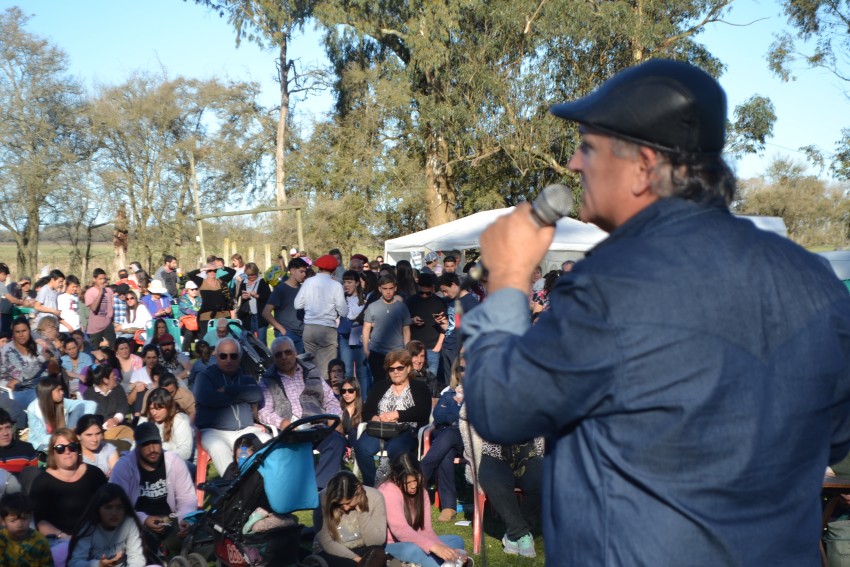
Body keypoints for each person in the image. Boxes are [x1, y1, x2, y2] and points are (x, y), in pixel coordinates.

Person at [462, 59, 850, 564]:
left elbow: (499, 408)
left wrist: (511, 276)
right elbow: (836, 436)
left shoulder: (610, 285)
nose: (575, 165)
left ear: (644, 167)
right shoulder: (817, 283)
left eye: (587, 147)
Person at [257, 336, 345, 489]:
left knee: (337, 441)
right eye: (279, 354)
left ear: (295, 352)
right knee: (300, 449)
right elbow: (263, 411)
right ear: (273, 358)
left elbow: (331, 400)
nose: (284, 357)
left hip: (317, 426)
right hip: (291, 430)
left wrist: (334, 416)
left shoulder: (311, 372)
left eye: (288, 352)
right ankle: (316, 487)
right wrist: (282, 422)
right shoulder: (267, 380)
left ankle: (317, 487)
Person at [109, 422, 195, 557]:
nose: (152, 449)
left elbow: (186, 498)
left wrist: (185, 519)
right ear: (136, 446)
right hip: (135, 524)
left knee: (204, 536)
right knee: (140, 547)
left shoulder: (174, 461)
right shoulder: (123, 467)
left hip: (170, 520)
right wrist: (144, 519)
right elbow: (117, 507)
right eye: (145, 444)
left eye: (155, 443)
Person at [353, 349, 430, 487]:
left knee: (396, 449)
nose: (395, 372)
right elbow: (367, 411)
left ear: (408, 368)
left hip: (406, 431)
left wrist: (397, 414)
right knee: (361, 446)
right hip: (381, 430)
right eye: (391, 369)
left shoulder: (420, 387)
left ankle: (398, 486)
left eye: (400, 368)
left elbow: (423, 411)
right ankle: (372, 487)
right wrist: (375, 417)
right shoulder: (380, 386)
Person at [30, 429, 108, 564]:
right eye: (60, 448)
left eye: (72, 447)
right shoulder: (42, 482)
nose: (67, 451)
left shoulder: (94, 474)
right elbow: (40, 521)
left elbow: (108, 507)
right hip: (60, 542)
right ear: (53, 452)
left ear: (78, 449)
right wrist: (64, 537)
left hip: (97, 538)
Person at [193, 337, 268, 474]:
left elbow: (257, 394)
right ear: (216, 356)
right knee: (218, 447)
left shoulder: (246, 378)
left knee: (268, 442)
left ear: (239, 358)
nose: (228, 360)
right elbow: (208, 398)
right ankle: (231, 486)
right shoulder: (204, 377)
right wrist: (242, 396)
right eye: (223, 356)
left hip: (246, 429)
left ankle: (263, 484)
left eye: (233, 356)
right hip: (215, 432)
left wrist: (228, 390)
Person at [378, 454, 465, 567]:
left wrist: (444, 549)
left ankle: (447, 562)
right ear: (396, 478)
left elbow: (425, 529)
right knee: (413, 549)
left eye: (416, 480)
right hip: (392, 546)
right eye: (408, 483)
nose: (414, 486)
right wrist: (433, 547)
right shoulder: (388, 491)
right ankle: (449, 564)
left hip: (415, 541)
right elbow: (400, 531)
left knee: (456, 541)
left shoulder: (422, 491)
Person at [421, 357, 465, 522]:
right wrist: (458, 413)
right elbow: (438, 416)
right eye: (460, 369)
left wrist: (457, 410)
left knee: (447, 433)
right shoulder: (448, 393)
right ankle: (448, 507)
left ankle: (419, 475)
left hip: (468, 440)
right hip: (449, 439)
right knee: (445, 452)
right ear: (456, 373)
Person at [315, 470, 387, 567]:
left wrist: (362, 512)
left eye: (348, 503)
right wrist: (356, 558)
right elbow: (327, 543)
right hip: (332, 550)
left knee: (377, 556)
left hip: (363, 547)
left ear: (358, 490)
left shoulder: (375, 497)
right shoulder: (322, 498)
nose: (346, 508)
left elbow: (376, 542)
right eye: (340, 504)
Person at [294, 254, 348, 381]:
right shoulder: (336, 286)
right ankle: (325, 397)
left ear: (318, 268)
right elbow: (344, 311)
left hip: (309, 328)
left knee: (311, 367)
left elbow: (297, 304)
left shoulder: (308, 282)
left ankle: (312, 395)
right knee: (326, 370)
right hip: (327, 328)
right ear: (334, 270)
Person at [67, 483, 147, 567]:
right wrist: (99, 565)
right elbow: (74, 563)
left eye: (119, 507)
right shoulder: (88, 528)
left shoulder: (129, 523)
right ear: (98, 508)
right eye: (108, 507)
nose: (114, 513)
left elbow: (136, 557)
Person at [27, 376, 97, 452]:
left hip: (65, 434)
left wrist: (82, 425)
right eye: (58, 390)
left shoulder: (63, 402)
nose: (62, 392)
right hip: (44, 444)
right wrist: (66, 436)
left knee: (79, 407)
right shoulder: (33, 409)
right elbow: (42, 438)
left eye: (62, 389)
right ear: (48, 393)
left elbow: (91, 404)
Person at [362, 275, 411, 384]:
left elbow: (406, 330)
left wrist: (406, 350)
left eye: (390, 288)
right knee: (378, 383)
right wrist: (366, 349)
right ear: (380, 289)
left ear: (395, 288)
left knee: (396, 382)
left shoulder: (402, 307)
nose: (388, 292)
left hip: (397, 351)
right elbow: (366, 328)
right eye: (385, 289)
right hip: (377, 351)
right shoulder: (373, 306)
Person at [0, 316, 50, 408]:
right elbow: (21, 375)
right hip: (14, 392)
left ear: (29, 331)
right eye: (17, 332)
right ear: (13, 334)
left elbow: (45, 372)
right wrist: (41, 359)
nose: (21, 335)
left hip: (37, 388)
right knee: (44, 400)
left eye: (24, 331)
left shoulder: (36, 347)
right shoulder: (8, 350)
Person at [403, 273, 444, 378]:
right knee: (413, 379)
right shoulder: (410, 302)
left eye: (428, 293)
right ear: (418, 287)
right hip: (414, 348)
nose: (425, 295)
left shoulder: (439, 302)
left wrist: (438, 347)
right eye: (422, 293)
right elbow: (403, 324)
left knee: (431, 380)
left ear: (432, 288)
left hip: (432, 347)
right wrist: (412, 320)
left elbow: (445, 327)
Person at [138, 388, 193, 462]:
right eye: (151, 409)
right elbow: (135, 447)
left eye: (158, 409)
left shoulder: (180, 420)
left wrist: (160, 454)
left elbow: (185, 453)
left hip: (181, 463)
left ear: (168, 407)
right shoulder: (145, 420)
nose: (154, 413)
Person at [82, 364, 133, 443]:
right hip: (98, 434)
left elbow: (123, 407)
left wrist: (115, 419)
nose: (116, 377)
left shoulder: (118, 389)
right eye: (113, 376)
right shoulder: (89, 394)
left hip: (118, 428)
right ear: (105, 380)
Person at [0, 492, 52, 567]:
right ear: (3, 521)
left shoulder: (40, 541)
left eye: (24, 519)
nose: (20, 525)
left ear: (31, 516)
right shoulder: (1, 539)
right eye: (13, 521)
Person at [234, 262, 271, 345]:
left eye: (253, 275)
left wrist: (257, 296)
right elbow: (238, 297)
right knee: (248, 340)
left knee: (261, 341)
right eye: (249, 275)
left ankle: (265, 357)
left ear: (257, 272)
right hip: (247, 316)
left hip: (260, 316)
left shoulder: (262, 282)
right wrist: (243, 297)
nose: (251, 277)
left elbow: (268, 298)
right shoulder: (244, 282)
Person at [84, 269, 115, 350]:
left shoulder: (109, 291)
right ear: (94, 279)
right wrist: (100, 293)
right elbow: (94, 308)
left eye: (104, 279)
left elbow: (111, 307)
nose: (102, 281)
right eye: (100, 279)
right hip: (95, 327)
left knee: (113, 347)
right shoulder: (90, 292)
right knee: (95, 350)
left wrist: (111, 319)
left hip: (107, 324)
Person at [178, 280, 201, 352]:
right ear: (187, 290)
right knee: (189, 332)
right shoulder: (183, 299)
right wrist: (197, 312)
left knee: (203, 332)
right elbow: (187, 310)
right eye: (192, 289)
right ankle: (185, 352)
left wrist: (196, 312)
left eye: (196, 289)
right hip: (185, 323)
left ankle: (201, 352)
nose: (195, 291)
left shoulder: (199, 299)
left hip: (197, 323)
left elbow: (200, 310)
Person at [338, 378, 362, 447]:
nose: (346, 394)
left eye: (350, 391)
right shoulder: (338, 409)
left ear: (356, 391)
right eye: (343, 391)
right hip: (342, 443)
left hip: (358, 444)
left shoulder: (364, 409)